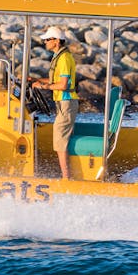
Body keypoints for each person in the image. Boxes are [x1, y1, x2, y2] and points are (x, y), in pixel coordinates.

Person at [32, 26, 78, 179]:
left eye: (47, 39)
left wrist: (44, 86)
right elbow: (55, 81)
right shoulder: (59, 56)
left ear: (57, 41)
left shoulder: (64, 58)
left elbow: (63, 85)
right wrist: (36, 80)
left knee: (60, 139)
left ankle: (66, 177)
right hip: (63, 103)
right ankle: (66, 175)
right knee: (59, 137)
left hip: (66, 103)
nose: (45, 42)